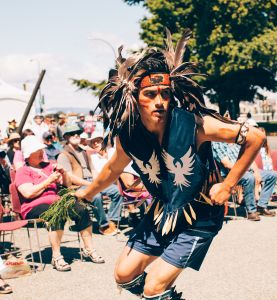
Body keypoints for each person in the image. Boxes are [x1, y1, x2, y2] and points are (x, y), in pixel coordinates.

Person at [75, 29, 265, 299]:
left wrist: (228, 184)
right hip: (162, 212)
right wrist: (86, 194)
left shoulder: (195, 124)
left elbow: (256, 137)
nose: (160, 102)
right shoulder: (129, 135)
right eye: (150, 94)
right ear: (133, 97)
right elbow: (112, 169)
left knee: (153, 286)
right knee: (124, 274)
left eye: (164, 93)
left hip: (201, 214)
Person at [14, 136, 104, 271]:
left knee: (82, 210)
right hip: (33, 206)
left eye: (41, 150)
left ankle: (89, 249)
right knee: (56, 212)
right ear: (28, 154)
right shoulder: (23, 171)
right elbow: (28, 193)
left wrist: (64, 173)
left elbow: (68, 184)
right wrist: (48, 181)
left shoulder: (49, 165)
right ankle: (56, 256)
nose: (41, 153)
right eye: (37, 151)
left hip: (57, 201)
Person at [57, 124, 122, 235]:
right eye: (72, 133)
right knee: (95, 196)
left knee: (117, 191)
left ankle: (112, 220)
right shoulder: (63, 155)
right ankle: (103, 225)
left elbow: (92, 169)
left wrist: (98, 182)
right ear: (66, 137)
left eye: (78, 133)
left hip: (91, 181)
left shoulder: (83, 151)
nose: (76, 135)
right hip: (78, 186)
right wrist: (91, 184)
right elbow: (70, 177)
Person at [212, 142, 277, 221]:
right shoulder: (217, 143)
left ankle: (261, 206)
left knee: (272, 175)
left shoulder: (237, 143)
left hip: (247, 170)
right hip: (231, 174)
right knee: (249, 177)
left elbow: (250, 159)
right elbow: (227, 164)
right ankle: (251, 211)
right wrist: (247, 171)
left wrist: (256, 172)